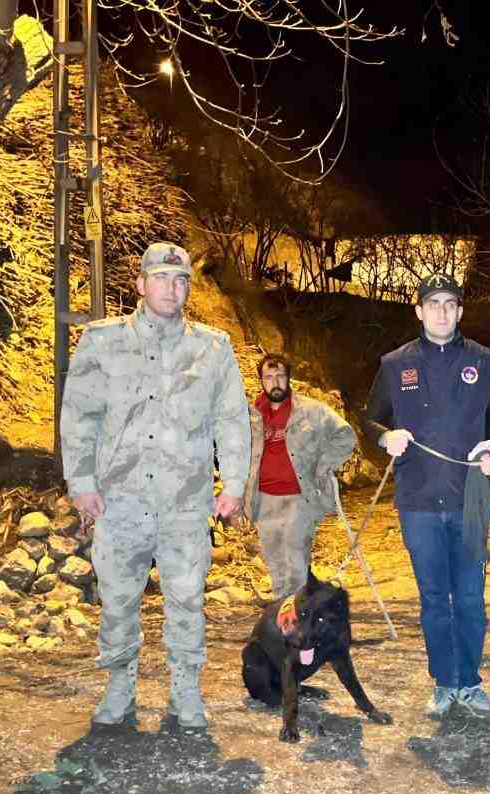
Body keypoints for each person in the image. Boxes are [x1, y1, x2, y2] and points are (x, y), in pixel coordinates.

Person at [60, 242, 249, 734]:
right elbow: (79, 415)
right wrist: (80, 482)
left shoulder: (212, 348)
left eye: (181, 280)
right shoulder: (102, 342)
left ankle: (184, 687)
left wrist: (234, 483)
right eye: (161, 278)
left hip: (185, 504)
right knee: (118, 599)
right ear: (140, 284)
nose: (171, 288)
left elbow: (230, 419)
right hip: (119, 502)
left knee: (187, 600)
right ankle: (119, 686)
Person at [363, 273, 490, 719]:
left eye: (450, 303)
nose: (442, 311)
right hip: (418, 501)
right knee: (433, 598)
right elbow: (371, 421)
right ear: (419, 311)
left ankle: (471, 680)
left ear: (460, 311)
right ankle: (445, 682)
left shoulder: (486, 361)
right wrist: (386, 438)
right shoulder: (394, 364)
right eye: (433, 303)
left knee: (468, 597)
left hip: (469, 500)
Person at [240, 353, 356, 598]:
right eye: (269, 377)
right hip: (264, 500)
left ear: (288, 378)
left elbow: (345, 436)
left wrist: (322, 465)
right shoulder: (249, 416)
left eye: (280, 375)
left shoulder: (312, 411)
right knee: (276, 564)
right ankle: (286, 620)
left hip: (300, 498)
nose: (275, 382)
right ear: (261, 380)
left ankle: (300, 619)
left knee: (295, 560)